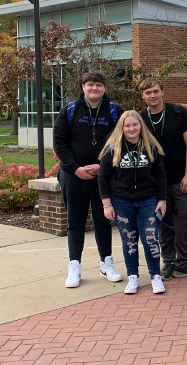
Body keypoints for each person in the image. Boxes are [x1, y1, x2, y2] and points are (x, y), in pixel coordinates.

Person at [53, 71, 122, 288]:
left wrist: (102, 166)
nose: (95, 88)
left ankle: (106, 263)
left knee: (103, 219)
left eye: (99, 85)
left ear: (104, 88)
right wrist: (75, 169)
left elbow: (120, 142)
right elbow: (59, 142)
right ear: (83, 87)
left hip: (103, 175)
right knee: (76, 221)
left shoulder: (114, 111)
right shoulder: (70, 110)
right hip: (73, 176)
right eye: (90, 85)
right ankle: (74, 266)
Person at [139, 78, 187, 281]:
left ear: (162, 92)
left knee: (186, 221)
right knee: (164, 224)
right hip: (155, 182)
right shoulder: (140, 118)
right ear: (143, 96)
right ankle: (168, 262)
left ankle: (183, 262)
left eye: (155, 91)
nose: (152, 95)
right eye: (147, 93)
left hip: (181, 179)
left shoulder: (178, 113)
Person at [97, 110, 168, 295]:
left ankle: (155, 276)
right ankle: (133, 276)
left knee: (151, 239)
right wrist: (107, 204)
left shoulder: (151, 146)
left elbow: (160, 175)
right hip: (121, 201)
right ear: (121, 127)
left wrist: (162, 199)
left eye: (135, 125)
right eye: (127, 125)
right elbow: (103, 178)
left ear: (140, 126)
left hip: (148, 200)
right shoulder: (113, 148)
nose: (131, 128)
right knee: (129, 240)